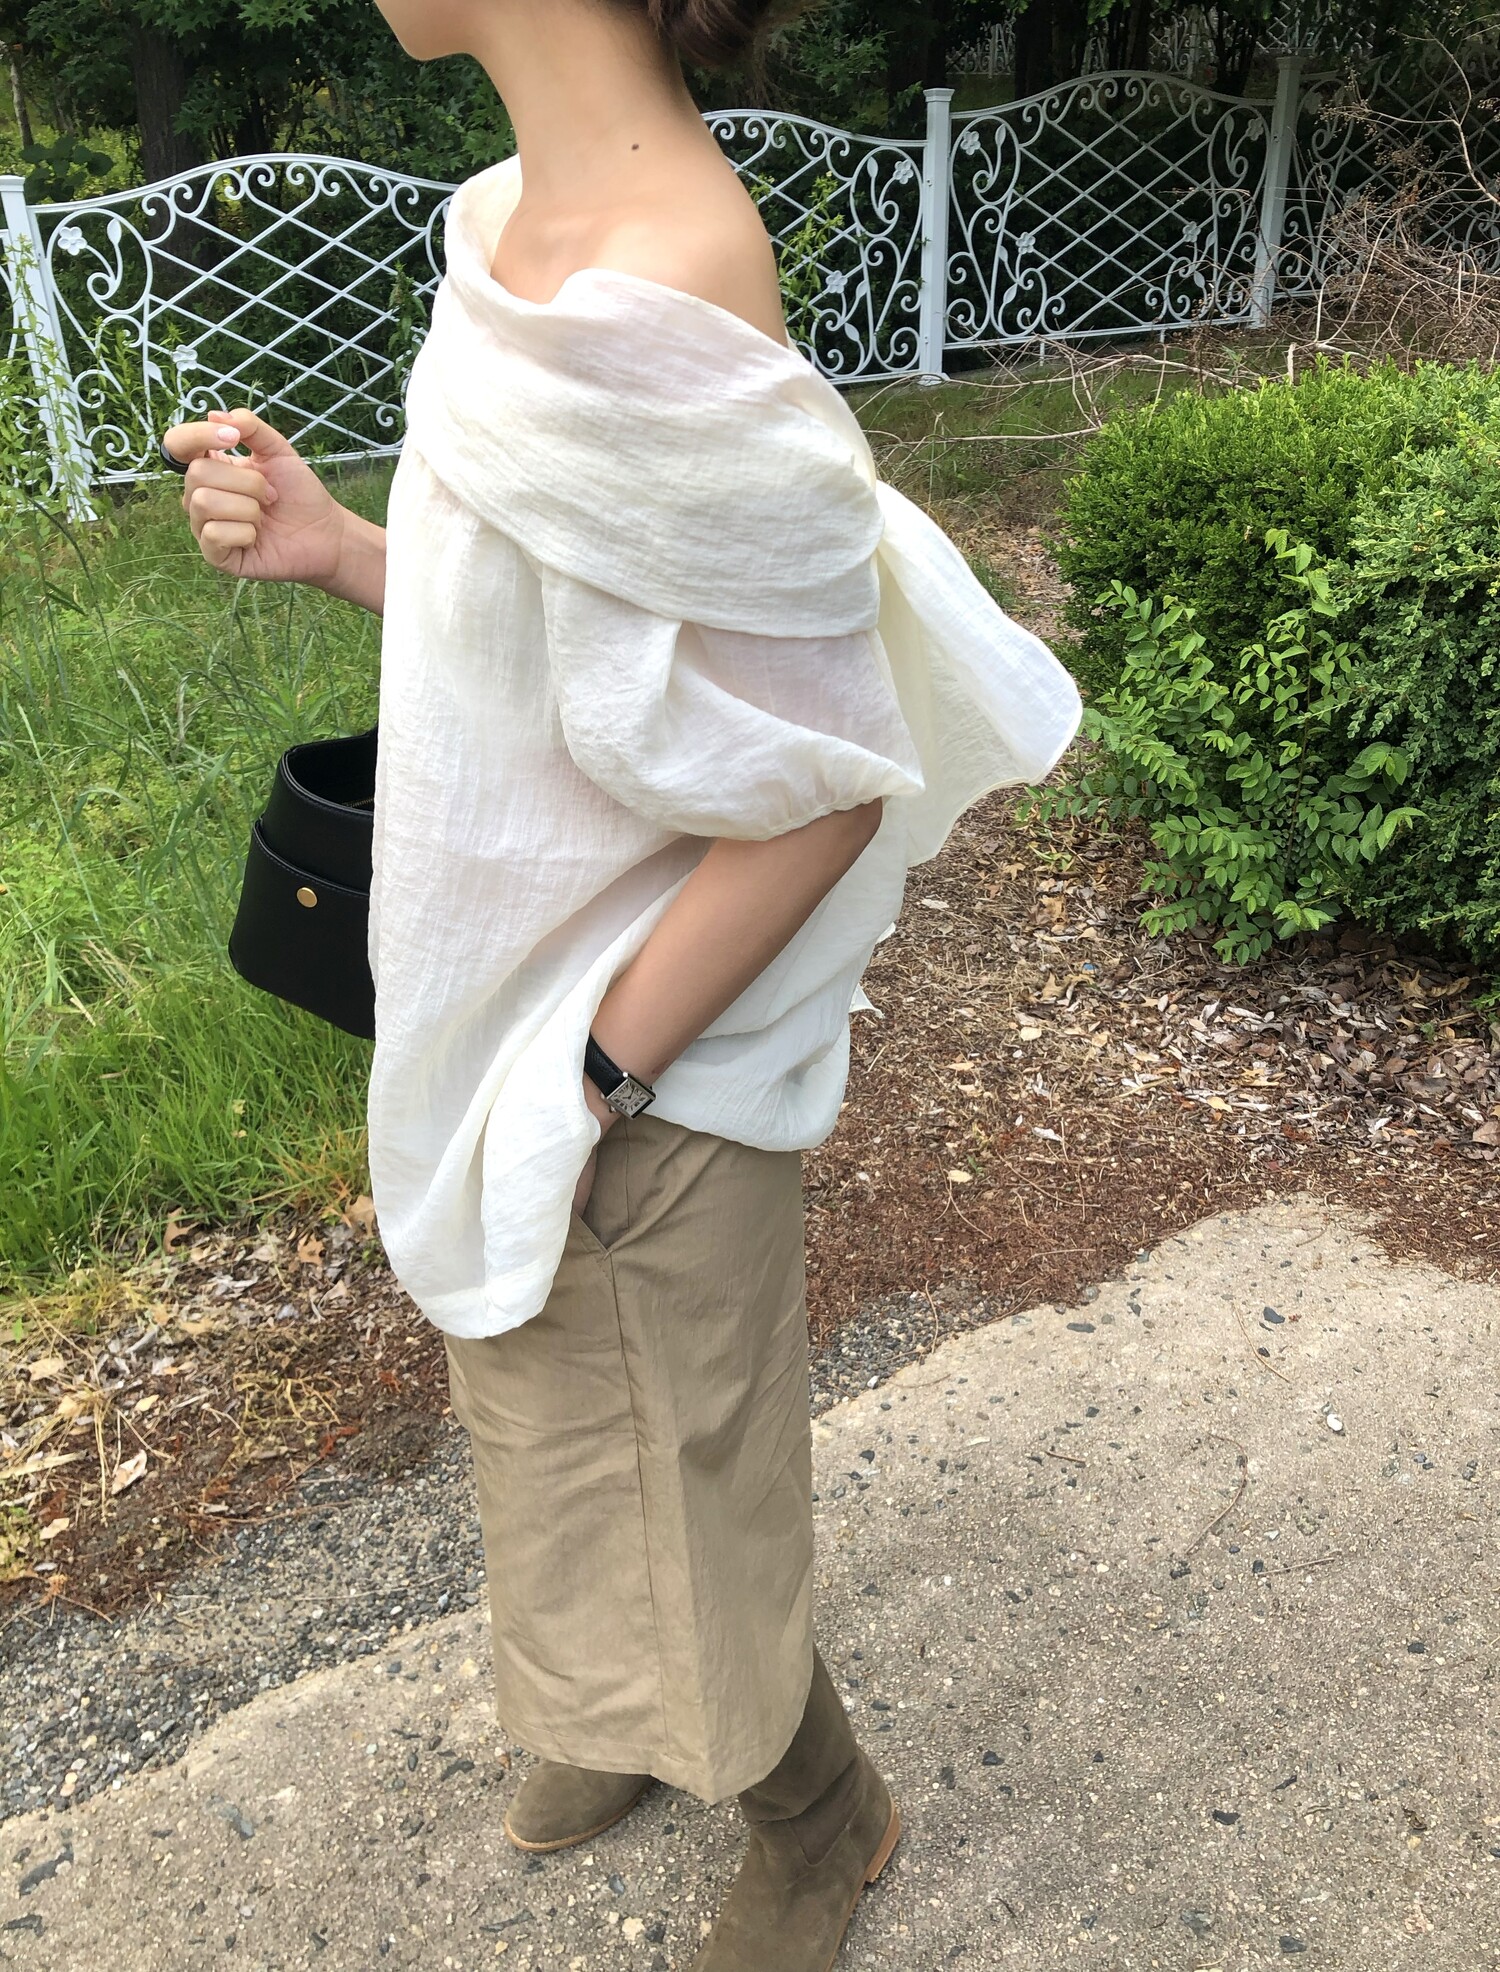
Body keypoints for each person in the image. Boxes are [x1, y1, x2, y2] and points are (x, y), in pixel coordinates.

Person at [163, 1, 1082, 1963]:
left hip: (653, 1042)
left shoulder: (669, 281)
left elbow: (823, 786)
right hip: (520, 1010)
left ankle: (820, 1815)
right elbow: (562, 631)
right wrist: (343, 548)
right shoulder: (511, 216)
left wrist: (592, 1072)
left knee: (685, 1466)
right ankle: (618, 1713)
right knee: (544, 1405)